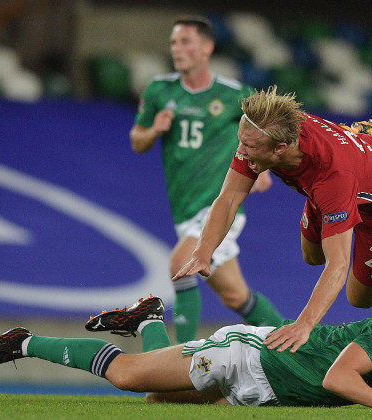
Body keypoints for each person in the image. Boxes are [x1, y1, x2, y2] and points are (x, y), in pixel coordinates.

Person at [174, 86, 372, 353]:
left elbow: (339, 265)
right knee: (312, 256)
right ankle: (361, 151)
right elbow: (229, 197)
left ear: (281, 148)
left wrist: (304, 325)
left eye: (250, 146)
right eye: (241, 141)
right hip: (329, 189)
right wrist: (203, 251)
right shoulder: (273, 127)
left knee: (359, 299)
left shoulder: (332, 179)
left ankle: (369, 155)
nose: (241, 151)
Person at [0, 295, 372, 411]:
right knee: (128, 377)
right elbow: (341, 382)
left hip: (256, 390)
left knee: (156, 394)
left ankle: (150, 320)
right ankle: (23, 342)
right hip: (245, 359)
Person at [129, 16, 283, 342]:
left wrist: (263, 170)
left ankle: (181, 365)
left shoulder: (234, 94)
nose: (177, 49)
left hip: (219, 205)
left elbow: (269, 132)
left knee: (180, 263)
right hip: (185, 210)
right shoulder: (160, 90)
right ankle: (295, 346)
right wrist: (155, 129)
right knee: (236, 297)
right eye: (174, 42)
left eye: (185, 42)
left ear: (207, 47)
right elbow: (137, 141)